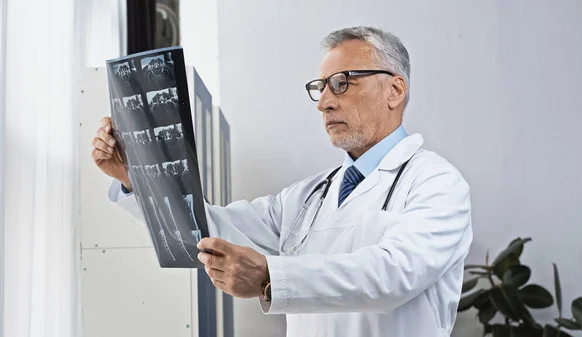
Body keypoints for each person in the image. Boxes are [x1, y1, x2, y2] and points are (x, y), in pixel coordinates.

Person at [91, 26, 472, 337]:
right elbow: (208, 230)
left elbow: (394, 274)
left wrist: (271, 276)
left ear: (395, 90)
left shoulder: (436, 182)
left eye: (342, 82)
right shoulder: (308, 196)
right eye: (320, 88)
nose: (324, 102)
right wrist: (135, 178)